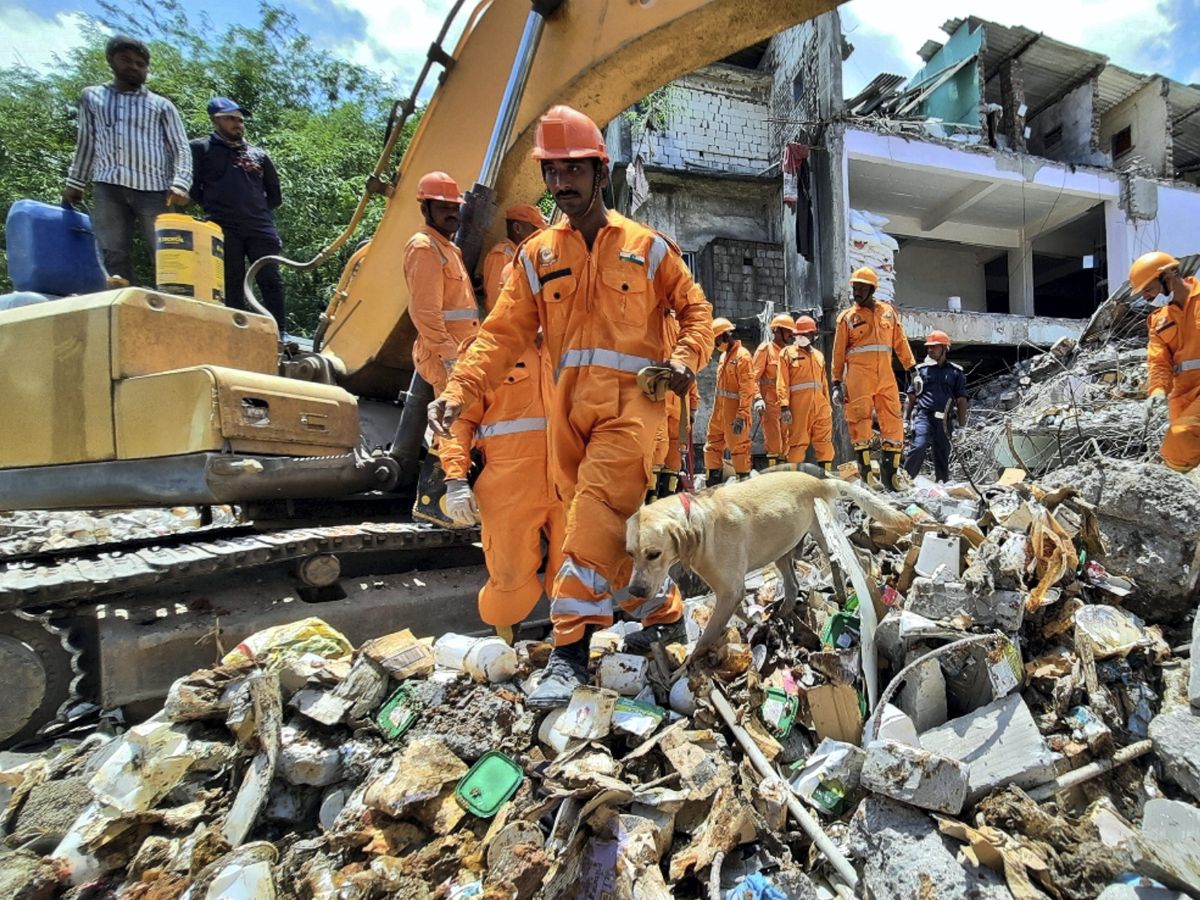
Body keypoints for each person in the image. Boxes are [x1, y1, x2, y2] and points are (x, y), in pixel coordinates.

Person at [428, 105, 712, 707]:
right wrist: (458, 394)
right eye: (552, 172)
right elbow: (500, 335)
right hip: (568, 418)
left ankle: (569, 653)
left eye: (573, 170)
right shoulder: (536, 256)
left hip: (634, 410)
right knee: (607, 531)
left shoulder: (647, 248)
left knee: (588, 517)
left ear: (600, 171)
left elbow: (696, 313)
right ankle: (662, 612)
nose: (562, 184)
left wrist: (685, 362)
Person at [439, 331, 566, 644]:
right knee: (508, 576)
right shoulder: (486, 349)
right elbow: (458, 420)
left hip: (571, 483)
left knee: (577, 571)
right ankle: (506, 649)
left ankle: (571, 649)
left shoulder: (576, 343)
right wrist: (456, 479)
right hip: (509, 485)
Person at [63, 35, 191, 284]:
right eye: (126, 60)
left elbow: (181, 147)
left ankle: (174, 304)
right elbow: (86, 142)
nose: (133, 66)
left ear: (147, 68)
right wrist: (75, 183)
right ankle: (122, 304)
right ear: (111, 60)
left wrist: (181, 182)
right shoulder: (92, 97)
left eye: (140, 63)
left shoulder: (161, 105)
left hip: (155, 189)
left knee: (169, 251)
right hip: (108, 186)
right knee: (112, 251)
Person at [189, 97, 285, 325]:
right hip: (222, 226)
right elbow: (193, 188)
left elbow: (275, 195)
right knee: (231, 281)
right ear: (215, 120)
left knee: (270, 279)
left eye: (240, 120)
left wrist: (253, 210)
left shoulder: (258, 154)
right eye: (230, 119)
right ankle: (238, 329)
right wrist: (218, 207)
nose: (237, 124)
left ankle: (280, 332)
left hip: (259, 226)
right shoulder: (200, 148)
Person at [831, 267, 919, 490]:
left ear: (872, 289)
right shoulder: (847, 318)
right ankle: (866, 474)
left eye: (861, 288)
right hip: (859, 377)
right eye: (854, 288)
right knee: (860, 422)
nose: (856, 292)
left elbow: (900, 342)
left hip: (886, 376)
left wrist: (913, 370)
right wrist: (836, 383)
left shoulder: (888, 312)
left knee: (893, 420)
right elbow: (838, 353)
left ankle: (890, 475)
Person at [405, 171, 481, 397]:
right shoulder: (425, 248)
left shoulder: (447, 249)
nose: (451, 214)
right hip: (446, 356)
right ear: (425, 210)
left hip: (461, 351)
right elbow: (425, 313)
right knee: (454, 426)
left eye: (454, 208)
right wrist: (450, 358)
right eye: (442, 208)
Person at [1130, 251, 1200, 473]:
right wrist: (1158, 391)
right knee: (1176, 458)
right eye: (1143, 294)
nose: (1147, 298)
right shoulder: (1159, 320)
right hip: (1182, 397)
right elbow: (1159, 361)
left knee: (1180, 439)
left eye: (1149, 290)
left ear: (1167, 275)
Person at [648, 309, 701, 502]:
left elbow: (689, 368)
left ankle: (667, 502)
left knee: (675, 457)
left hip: (679, 401)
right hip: (657, 399)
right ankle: (651, 503)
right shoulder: (646, 321)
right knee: (656, 453)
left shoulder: (678, 327)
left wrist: (693, 403)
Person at [904, 330, 967, 482]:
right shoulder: (921, 371)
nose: (930, 350)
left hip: (945, 421)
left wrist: (962, 427)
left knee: (942, 456)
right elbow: (911, 397)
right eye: (929, 347)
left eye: (934, 347)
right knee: (919, 447)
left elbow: (961, 400)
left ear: (944, 349)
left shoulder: (956, 372)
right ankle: (903, 481)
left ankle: (941, 487)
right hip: (924, 417)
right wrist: (905, 420)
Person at [704, 318, 758, 483]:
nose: (715, 345)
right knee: (712, 445)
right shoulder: (723, 357)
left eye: (716, 340)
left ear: (725, 335)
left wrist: (741, 416)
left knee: (739, 449)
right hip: (719, 413)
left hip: (735, 415)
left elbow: (747, 390)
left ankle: (743, 484)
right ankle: (712, 484)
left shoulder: (743, 357)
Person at [777, 315, 834, 472]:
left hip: (820, 407)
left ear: (813, 335)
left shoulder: (819, 356)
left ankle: (826, 479)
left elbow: (824, 384)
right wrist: (784, 406)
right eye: (799, 335)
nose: (802, 338)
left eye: (806, 334)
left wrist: (828, 406)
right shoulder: (787, 353)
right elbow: (782, 381)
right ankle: (794, 482)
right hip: (798, 408)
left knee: (824, 442)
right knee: (797, 443)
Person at [482, 204, 547, 312]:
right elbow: (494, 302)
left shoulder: (522, 255)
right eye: (535, 230)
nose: (540, 235)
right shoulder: (501, 255)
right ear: (517, 228)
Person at [752, 313, 795, 468]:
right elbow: (753, 377)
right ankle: (773, 475)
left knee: (786, 445)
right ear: (778, 330)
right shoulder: (765, 350)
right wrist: (757, 398)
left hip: (786, 405)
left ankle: (784, 478)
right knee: (774, 443)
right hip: (769, 404)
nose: (791, 335)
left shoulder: (790, 353)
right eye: (788, 331)